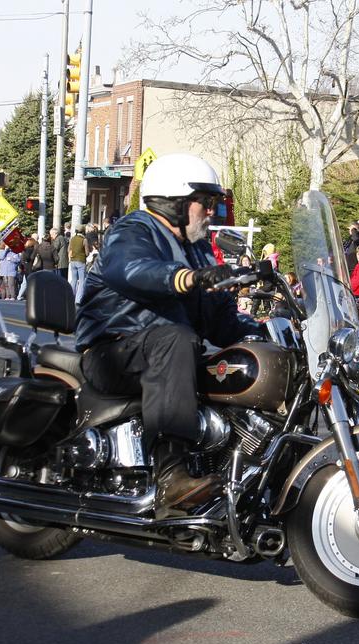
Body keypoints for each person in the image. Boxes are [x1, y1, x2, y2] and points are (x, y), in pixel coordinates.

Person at [75, 153, 262, 515]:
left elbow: (221, 323)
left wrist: (269, 331)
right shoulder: (133, 231)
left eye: (213, 204)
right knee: (176, 338)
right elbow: (132, 269)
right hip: (113, 352)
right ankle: (171, 475)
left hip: (160, 353)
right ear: (174, 202)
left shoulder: (199, 251)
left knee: (240, 363)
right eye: (205, 203)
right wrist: (186, 278)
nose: (211, 212)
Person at [68, 225, 88, 304]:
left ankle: (71, 297)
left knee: (74, 280)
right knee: (82, 281)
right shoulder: (84, 240)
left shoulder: (72, 239)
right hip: (81, 261)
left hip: (72, 261)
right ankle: (78, 299)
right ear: (83, 231)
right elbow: (87, 252)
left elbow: (68, 249)